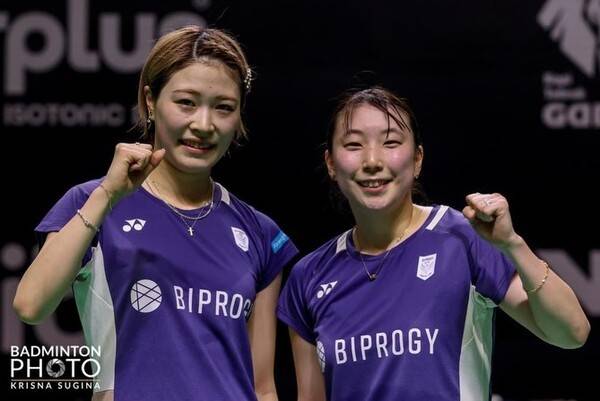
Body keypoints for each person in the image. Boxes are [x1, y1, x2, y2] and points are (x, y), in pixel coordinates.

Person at [13, 26, 298, 401]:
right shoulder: (92, 201)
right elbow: (31, 305)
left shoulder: (260, 232)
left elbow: (262, 387)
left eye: (224, 107)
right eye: (186, 102)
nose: (203, 125)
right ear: (150, 101)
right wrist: (107, 195)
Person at [277, 86, 590, 401]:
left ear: (417, 160)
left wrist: (512, 244)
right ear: (331, 163)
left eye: (390, 142)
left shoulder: (462, 238)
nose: (372, 160)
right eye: (354, 144)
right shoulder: (309, 277)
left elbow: (572, 333)